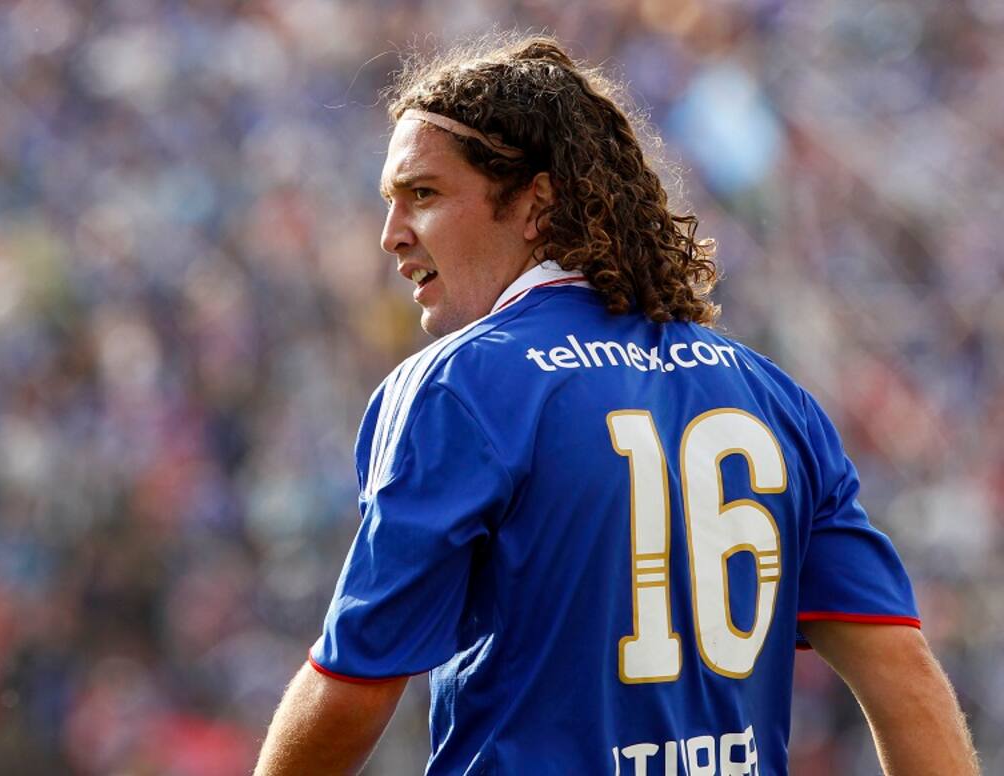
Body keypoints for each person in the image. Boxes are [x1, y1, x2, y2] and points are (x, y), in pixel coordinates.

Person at [255, 34, 979, 775]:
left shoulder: (458, 386)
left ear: (534, 203)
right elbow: (904, 676)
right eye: (390, 201)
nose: (391, 235)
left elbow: (353, 689)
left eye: (424, 195)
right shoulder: (773, 394)